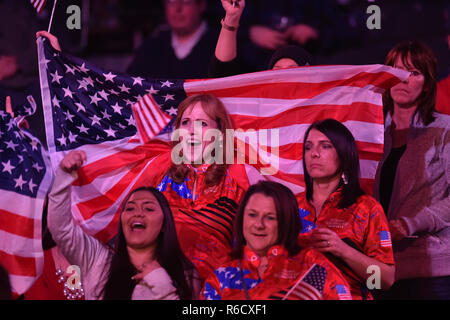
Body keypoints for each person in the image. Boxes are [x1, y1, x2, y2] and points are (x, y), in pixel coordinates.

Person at [47, 154, 198, 299]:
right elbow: (61, 229)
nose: (137, 213)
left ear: (165, 224)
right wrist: (64, 176)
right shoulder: (98, 262)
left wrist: (161, 284)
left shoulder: (186, 275)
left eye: (149, 208)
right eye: (130, 208)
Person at [373, 40, 450, 300]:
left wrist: (410, 224)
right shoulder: (369, 133)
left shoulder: (445, 129)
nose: (402, 79)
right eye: (395, 71)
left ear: (428, 84)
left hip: (431, 269)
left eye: (413, 73)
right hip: (379, 267)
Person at [201, 180, 352, 300]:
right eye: (252, 215)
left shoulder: (314, 267)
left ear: (286, 222)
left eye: (270, 217)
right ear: (241, 219)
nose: (259, 225)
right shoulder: (221, 277)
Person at [296, 119, 395, 300]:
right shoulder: (290, 205)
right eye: (308, 147)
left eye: (325, 146)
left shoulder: (365, 208)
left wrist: (343, 250)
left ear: (344, 154)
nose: (314, 154)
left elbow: (383, 281)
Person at [209, 0, 314, 77]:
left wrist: (314, 32)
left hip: (311, 54)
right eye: (278, 71)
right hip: (253, 65)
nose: (284, 76)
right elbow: (221, 72)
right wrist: (233, 18)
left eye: (291, 71)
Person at [126, 0, 218, 79]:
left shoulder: (220, 47)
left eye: (186, 2)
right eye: (172, 1)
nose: (177, 9)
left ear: (201, 5)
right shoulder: (149, 49)